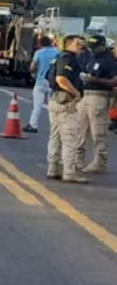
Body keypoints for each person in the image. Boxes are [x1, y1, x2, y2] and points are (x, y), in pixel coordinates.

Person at [46, 35, 87, 183]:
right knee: (70, 138)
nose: (81, 47)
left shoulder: (58, 57)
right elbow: (61, 79)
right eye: (78, 44)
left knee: (55, 136)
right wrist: (76, 93)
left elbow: (48, 77)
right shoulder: (68, 58)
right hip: (66, 101)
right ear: (69, 44)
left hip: (55, 100)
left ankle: (53, 168)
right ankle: (69, 172)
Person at [77, 35, 117, 174]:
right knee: (80, 129)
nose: (92, 50)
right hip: (85, 93)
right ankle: (77, 159)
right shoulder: (90, 57)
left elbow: (114, 81)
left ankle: (100, 161)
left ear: (102, 46)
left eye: (95, 47)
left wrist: (96, 80)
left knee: (98, 131)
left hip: (99, 94)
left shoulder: (110, 60)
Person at [24, 36, 60, 134]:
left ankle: (33, 125)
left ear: (40, 44)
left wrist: (34, 71)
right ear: (51, 43)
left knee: (37, 106)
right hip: (53, 82)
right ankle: (55, 127)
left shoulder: (39, 53)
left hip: (40, 81)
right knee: (52, 106)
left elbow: (32, 67)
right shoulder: (57, 53)